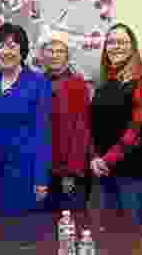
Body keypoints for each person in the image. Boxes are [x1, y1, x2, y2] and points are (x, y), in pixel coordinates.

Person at [90, 23, 142, 254]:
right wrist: (95, 157)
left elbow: (137, 129)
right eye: (111, 42)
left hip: (131, 175)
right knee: (109, 240)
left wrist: (107, 159)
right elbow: (96, 126)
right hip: (104, 174)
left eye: (122, 42)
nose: (116, 46)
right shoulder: (105, 81)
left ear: (132, 47)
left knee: (134, 241)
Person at [0, 22, 52, 216]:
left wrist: (41, 178)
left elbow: (43, 133)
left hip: (26, 172)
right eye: (0, 46)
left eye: (12, 46)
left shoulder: (38, 83)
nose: (5, 51)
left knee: (25, 236)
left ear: (23, 50)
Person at [40, 31, 93, 211]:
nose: (54, 55)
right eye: (50, 50)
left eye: (59, 51)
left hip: (69, 172)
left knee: (70, 226)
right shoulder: (37, 82)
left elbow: (81, 130)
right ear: (42, 54)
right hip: (42, 170)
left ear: (67, 55)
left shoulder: (78, 84)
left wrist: (71, 172)